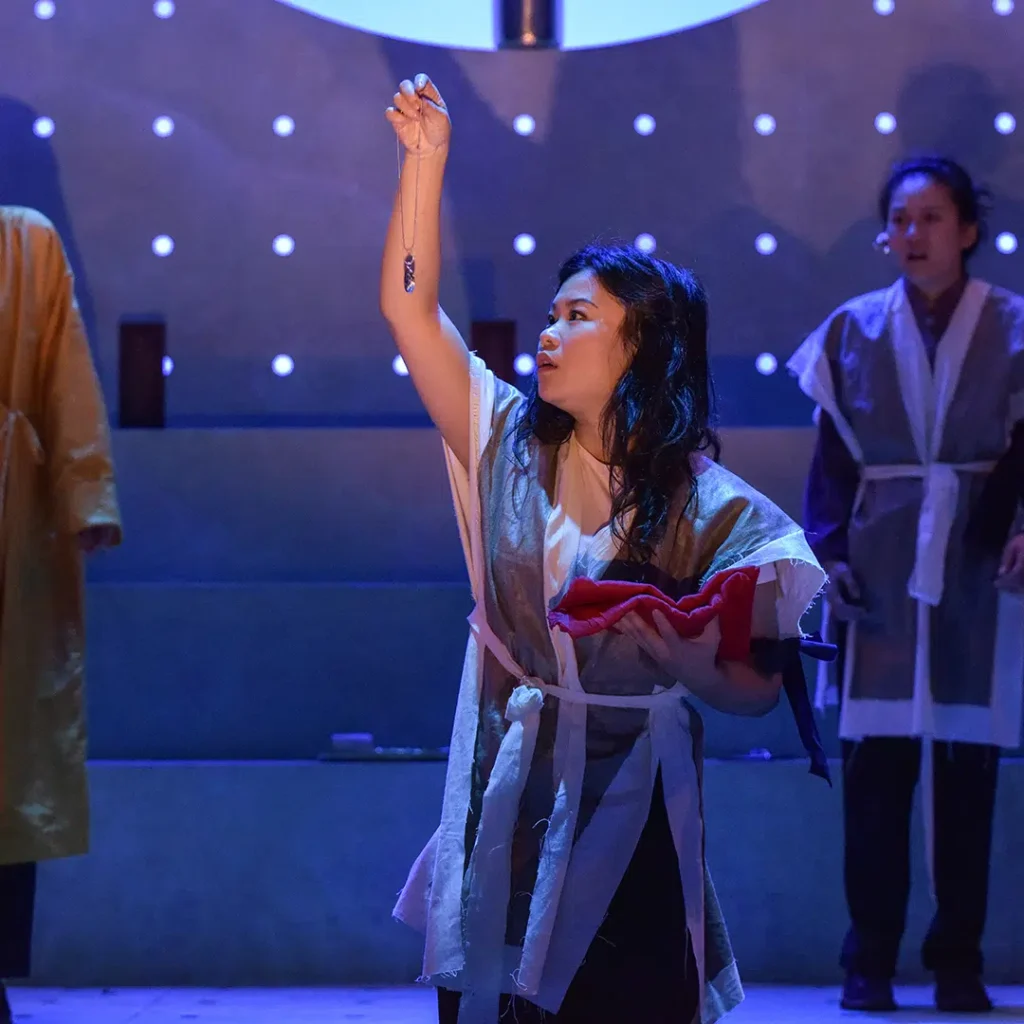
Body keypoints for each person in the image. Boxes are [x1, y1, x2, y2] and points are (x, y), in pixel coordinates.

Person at [381, 75, 826, 1024]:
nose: (548, 333)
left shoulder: (713, 508)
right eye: (551, 314)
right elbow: (411, 315)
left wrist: (688, 662)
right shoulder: (503, 442)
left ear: (644, 351)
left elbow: (755, 688)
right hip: (511, 782)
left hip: (637, 800)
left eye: (578, 317)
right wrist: (425, 163)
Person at [788, 155, 1024, 1015]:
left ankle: (959, 961)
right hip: (882, 558)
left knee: (967, 770)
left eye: (931, 218)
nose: (913, 234)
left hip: (976, 561)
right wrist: (830, 554)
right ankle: (870, 961)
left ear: (968, 229)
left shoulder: (1015, 326)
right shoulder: (852, 330)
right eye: (900, 219)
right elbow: (830, 465)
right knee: (876, 774)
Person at [0, 206, 122, 1023]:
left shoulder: (23, 240)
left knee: (7, 753)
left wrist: (86, 494)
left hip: (8, 517)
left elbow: (63, 369)